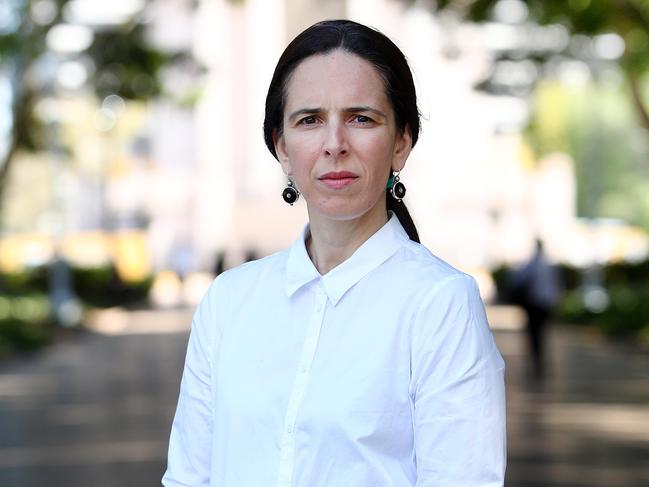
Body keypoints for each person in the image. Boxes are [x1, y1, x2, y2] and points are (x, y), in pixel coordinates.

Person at [162, 19, 506, 487]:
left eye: (361, 118)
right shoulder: (229, 301)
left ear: (401, 142)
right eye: (310, 120)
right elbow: (187, 478)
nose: (334, 145)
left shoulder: (440, 304)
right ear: (281, 148)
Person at [508, 239, 561, 377]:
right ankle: (539, 361)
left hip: (534, 304)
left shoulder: (533, 264)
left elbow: (518, 279)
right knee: (540, 333)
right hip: (544, 304)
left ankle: (537, 361)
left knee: (534, 334)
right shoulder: (548, 265)